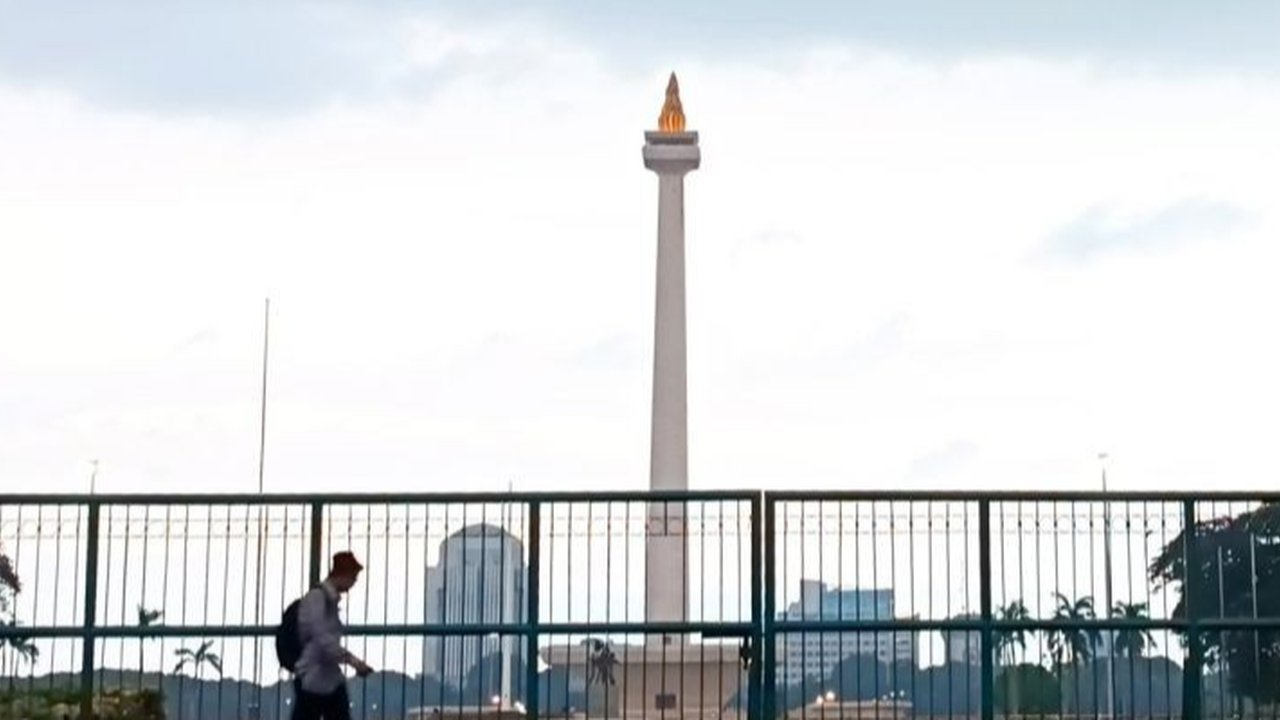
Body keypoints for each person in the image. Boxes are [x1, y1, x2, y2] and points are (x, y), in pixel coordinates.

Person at [293, 551, 373, 720]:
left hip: (321, 677)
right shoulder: (318, 598)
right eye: (353, 577)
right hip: (314, 676)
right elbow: (322, 639)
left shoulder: (326, 600)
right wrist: (352, 661)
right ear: (342, 575)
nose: (354, 582)